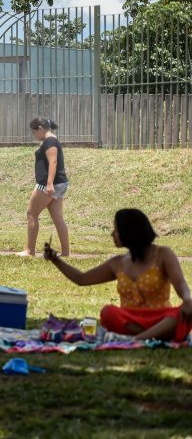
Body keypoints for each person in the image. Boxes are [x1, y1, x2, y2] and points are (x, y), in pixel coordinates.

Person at [44, 209, 192, 342]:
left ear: (130, 231)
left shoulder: (163, 254)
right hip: (129, 320)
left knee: (182, 312)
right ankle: (156, 335)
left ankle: (139, 338)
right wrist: (55, 260)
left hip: (160, 318)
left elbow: (181, 286)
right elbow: (81, 279)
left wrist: (187, 299)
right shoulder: (118, 263)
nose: (112, 234)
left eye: (116, 229)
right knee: (108, 313)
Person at [17, 117, 69, 257]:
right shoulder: (52, 140)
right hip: (59, 183)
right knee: (58, 218)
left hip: (48, 184)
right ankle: (65, 253)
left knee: (31, 214)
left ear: (40, 128)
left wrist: (49, 183)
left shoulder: (50, 141)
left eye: (34, 132)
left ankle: (29, 250)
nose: (34, 136)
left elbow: (53, 162)